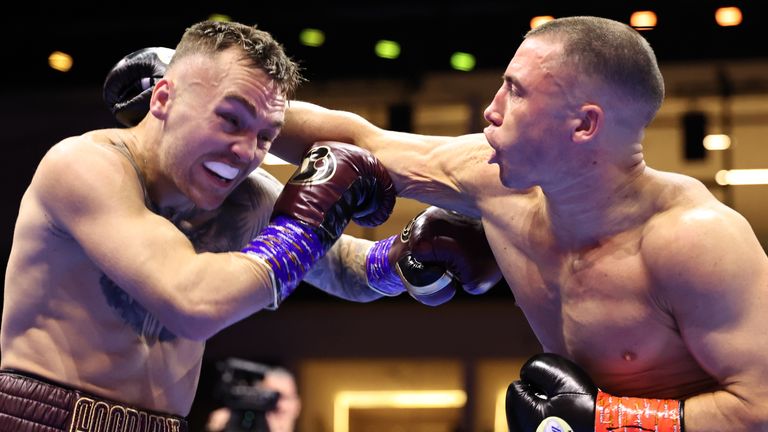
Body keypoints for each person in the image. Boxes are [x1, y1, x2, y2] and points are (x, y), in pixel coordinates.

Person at [272, 15, 768, 431]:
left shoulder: (695, 239)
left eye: (516, 91)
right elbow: (363, 142)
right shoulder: (497, 184)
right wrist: (219, 111)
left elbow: (760, 406)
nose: (492, 109)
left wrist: (610, 419)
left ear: (584, 124)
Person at [0, 20, 501, 431]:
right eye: (230, 120)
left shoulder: (243, 194)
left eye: (266, 135)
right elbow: (192, 303)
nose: (245, 153)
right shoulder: (86, 166)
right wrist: (309, 217)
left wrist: (408, 256)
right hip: (47, 418)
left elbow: (346, 268)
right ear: (162, 100)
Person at [205, 364, 301, 432]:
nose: (278, 405)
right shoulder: (232, 421)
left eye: (285, 398)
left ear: (297, 405)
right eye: (269, 397)